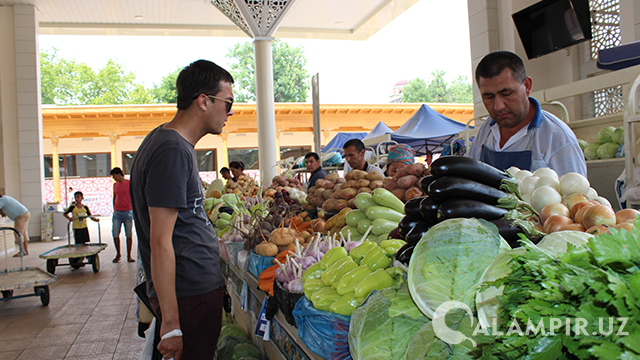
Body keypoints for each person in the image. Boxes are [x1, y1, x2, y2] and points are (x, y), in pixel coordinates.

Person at [130, 59, 233, 360]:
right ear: (203, 101)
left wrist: (214, 244)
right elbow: (160, 241)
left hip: (192, 291)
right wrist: (172, 326)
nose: (229, 114)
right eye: (228, 104)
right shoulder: (172, 150)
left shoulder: (167, 141)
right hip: (188, 294)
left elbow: (183, 223)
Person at [466, 51, 587, 177]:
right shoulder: (487, 130)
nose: (498, 106)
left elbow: (575, 192)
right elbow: (467, 174)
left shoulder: (557, 138)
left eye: (506, 94)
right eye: (489, 97)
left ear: (527, 86)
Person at [110, 167, 135, 263]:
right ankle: (118, 253)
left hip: (128, 211)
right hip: (117, 212)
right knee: (115, 233)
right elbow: (114, 197)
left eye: (114, 175)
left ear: (118, 174)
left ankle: (129, 255)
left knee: (128, 234)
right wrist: (114, 208)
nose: (113, 178)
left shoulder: (129, 183)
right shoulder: (115, 185)